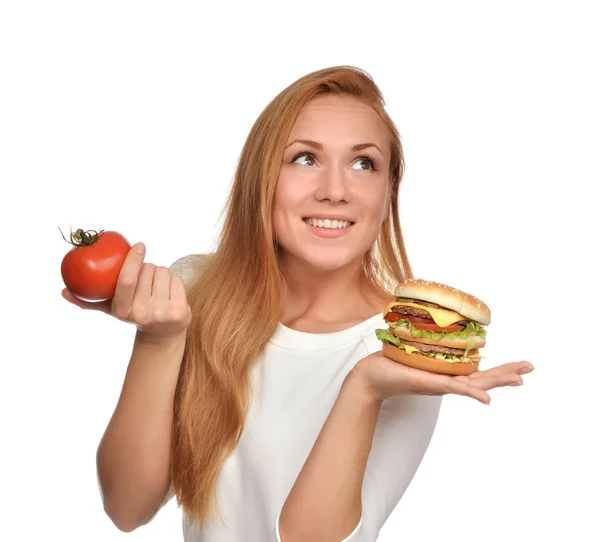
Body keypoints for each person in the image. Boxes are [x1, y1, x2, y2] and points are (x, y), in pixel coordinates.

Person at [61, 65, 534, 541]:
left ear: (388, 193)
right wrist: (157, 341)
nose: (334, 190)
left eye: (363, 163)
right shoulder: (195, 289)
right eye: (305, 158)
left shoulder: (401, 358)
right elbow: (126, 507)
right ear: (260, 177)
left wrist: (365, 386)